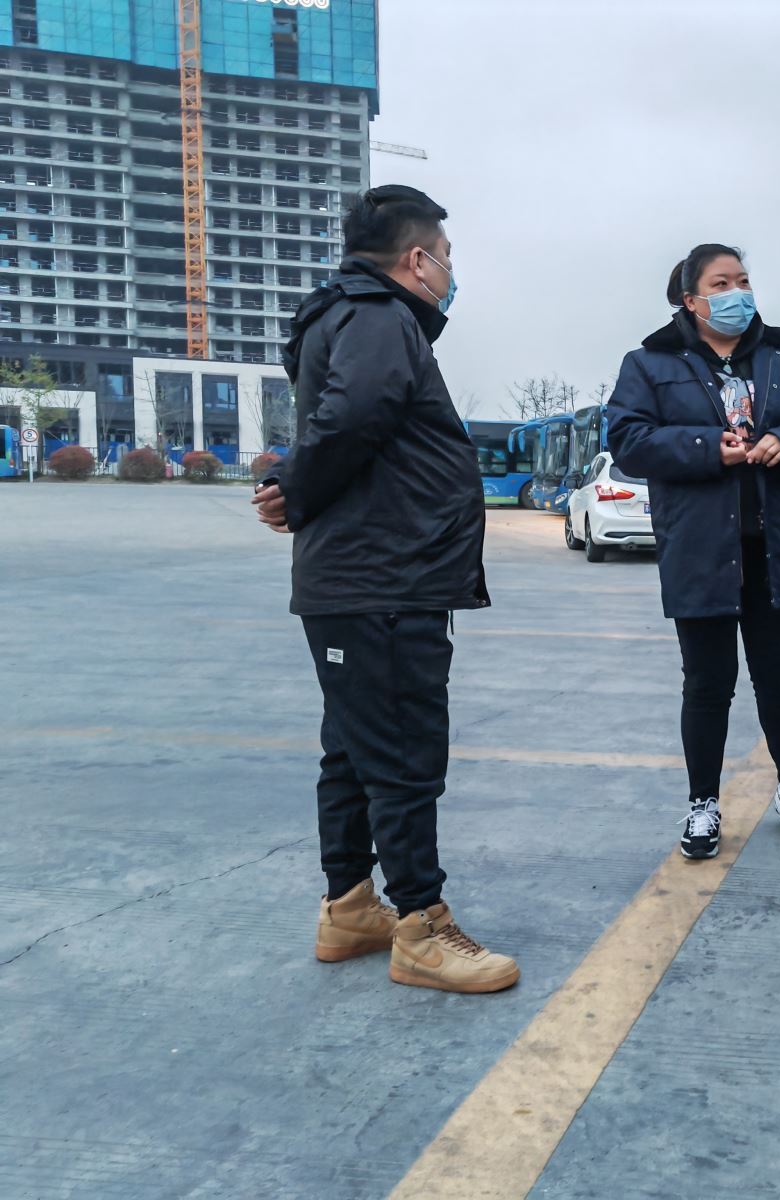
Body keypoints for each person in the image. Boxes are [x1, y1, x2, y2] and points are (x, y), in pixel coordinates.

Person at [251, 184, 518, 995]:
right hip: (384, 579)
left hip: (362, 578)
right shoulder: (379, 316)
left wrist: (296, 485)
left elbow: (349, 424)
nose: (449, 274)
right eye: (446, 258)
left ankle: (350, 908)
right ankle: (422, 927)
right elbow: (353, 416)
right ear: (416, 258)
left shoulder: (343, 314)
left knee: (353, 748)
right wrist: (296, 489)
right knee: (402, 752)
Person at [608, 244, 780, 860]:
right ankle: (703, 804)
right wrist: (705, 447)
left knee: (779, 679)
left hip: (774, 547)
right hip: (700, 549)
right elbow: (628, 439)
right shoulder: (650, 362)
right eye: (721, 283)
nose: (737, 292)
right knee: (707, 684)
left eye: (743, 280)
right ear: (691, 299)